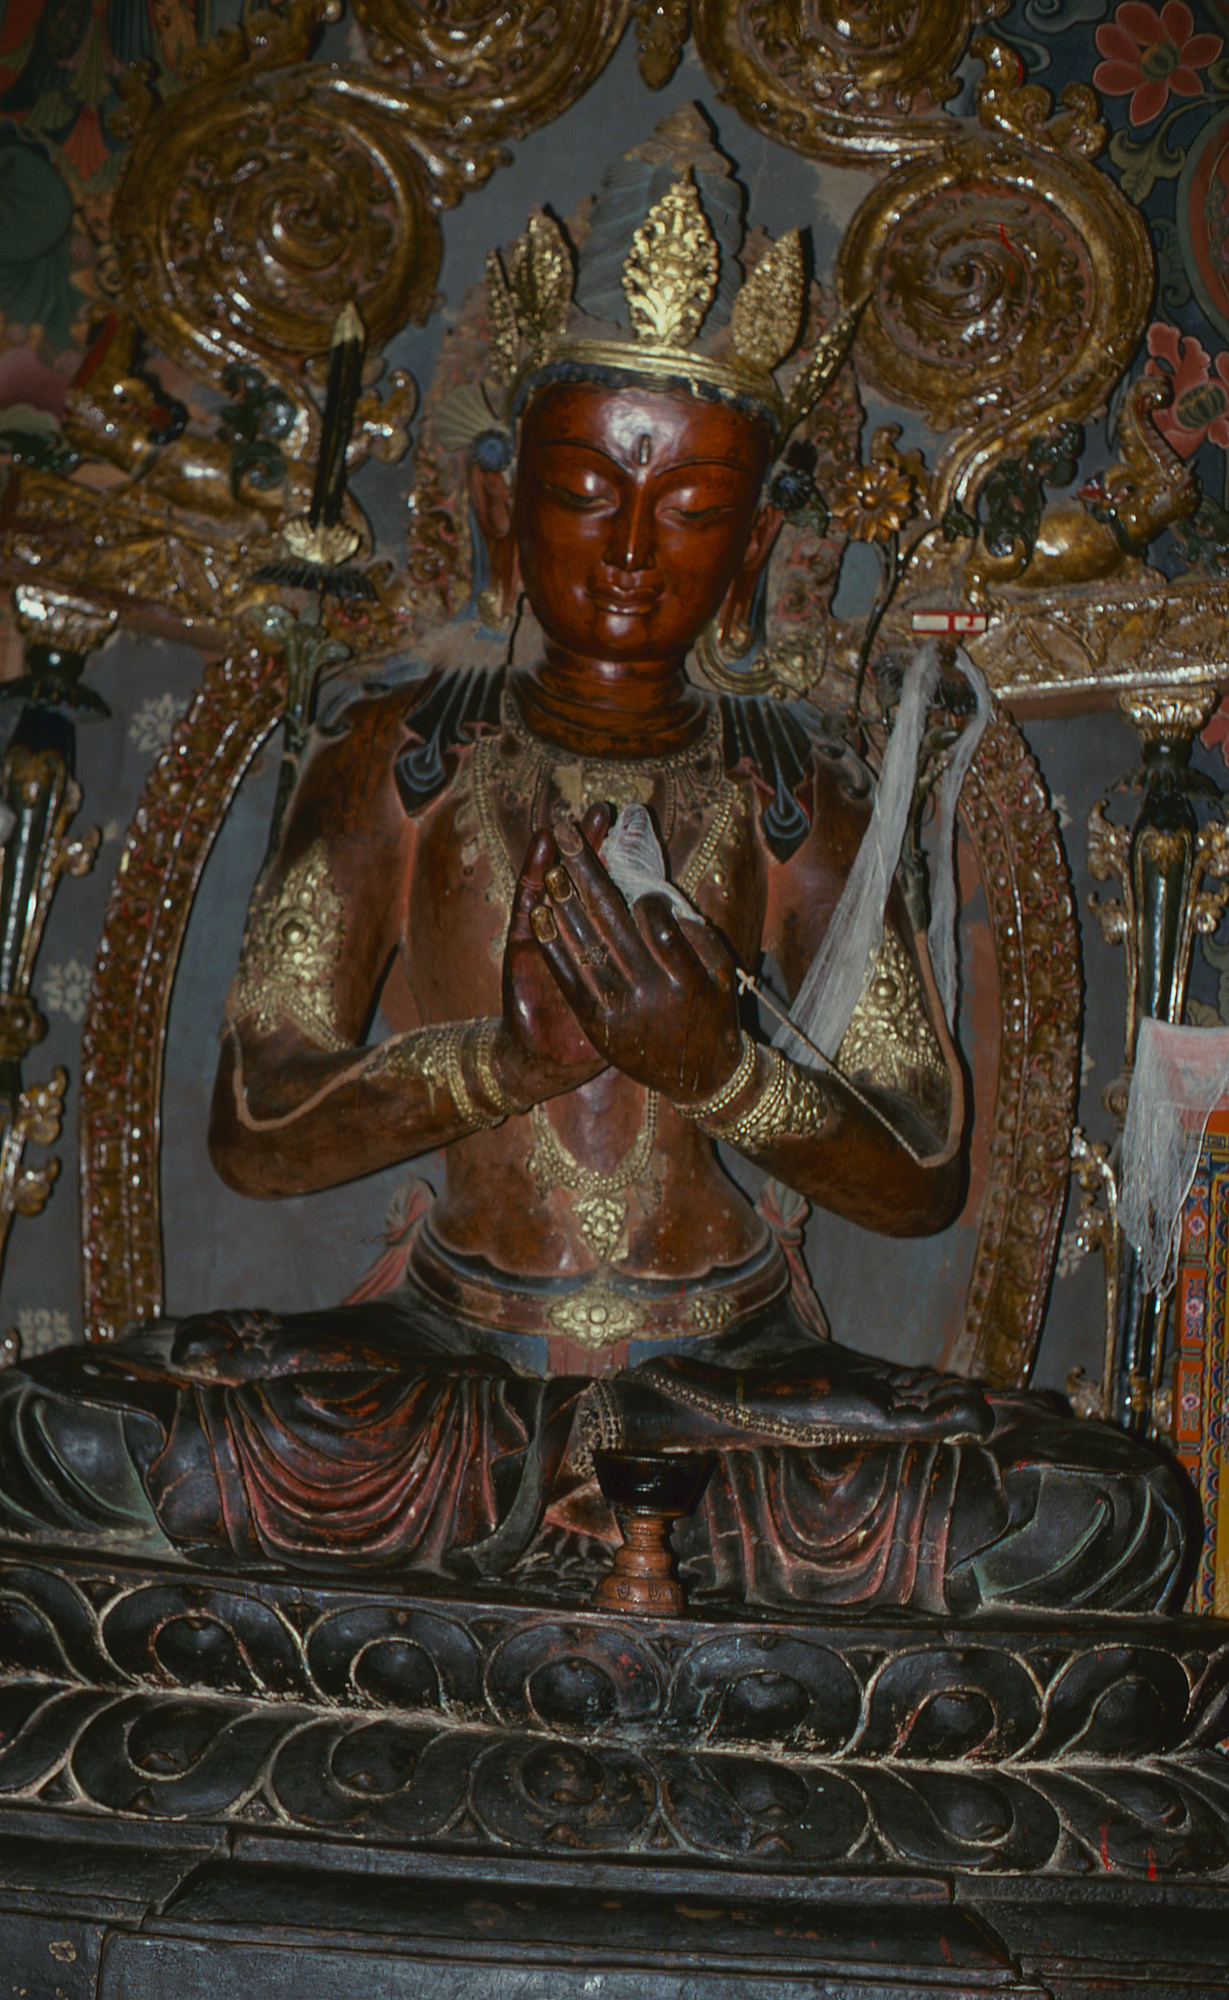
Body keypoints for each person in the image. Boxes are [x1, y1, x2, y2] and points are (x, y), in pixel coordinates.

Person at [0, 135, 1186, 1613]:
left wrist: (720, 1071)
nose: (631, 548)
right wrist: (500, 1066)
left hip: (725, 1380)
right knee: (57, 1435)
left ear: (754, 543)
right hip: (450, 1362)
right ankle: (615, 1550)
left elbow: (918, 1171)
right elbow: (258, 1123)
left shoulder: (795, 792)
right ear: (503, 509)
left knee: (1104, 1512)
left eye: (690, 510)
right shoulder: (397, 760)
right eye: (582, 492)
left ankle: (552, 1547)